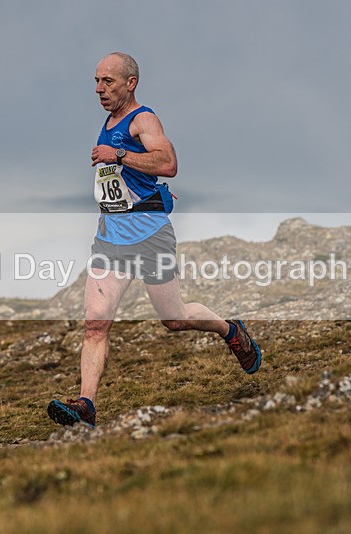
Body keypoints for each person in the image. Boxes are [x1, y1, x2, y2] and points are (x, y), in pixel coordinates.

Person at [47, 52, 262, 428]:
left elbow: (167, 163)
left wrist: (119, 155)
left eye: (108, 82)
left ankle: (231, 331)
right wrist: (141, 189)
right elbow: (128, 178)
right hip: (111, 239)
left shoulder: (143, 119)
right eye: (96, 81)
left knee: (175, 319)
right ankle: (86, 406)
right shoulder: (110, 120)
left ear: (131, 83)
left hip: (149, 237)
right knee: (95, 325)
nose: (99, 89)